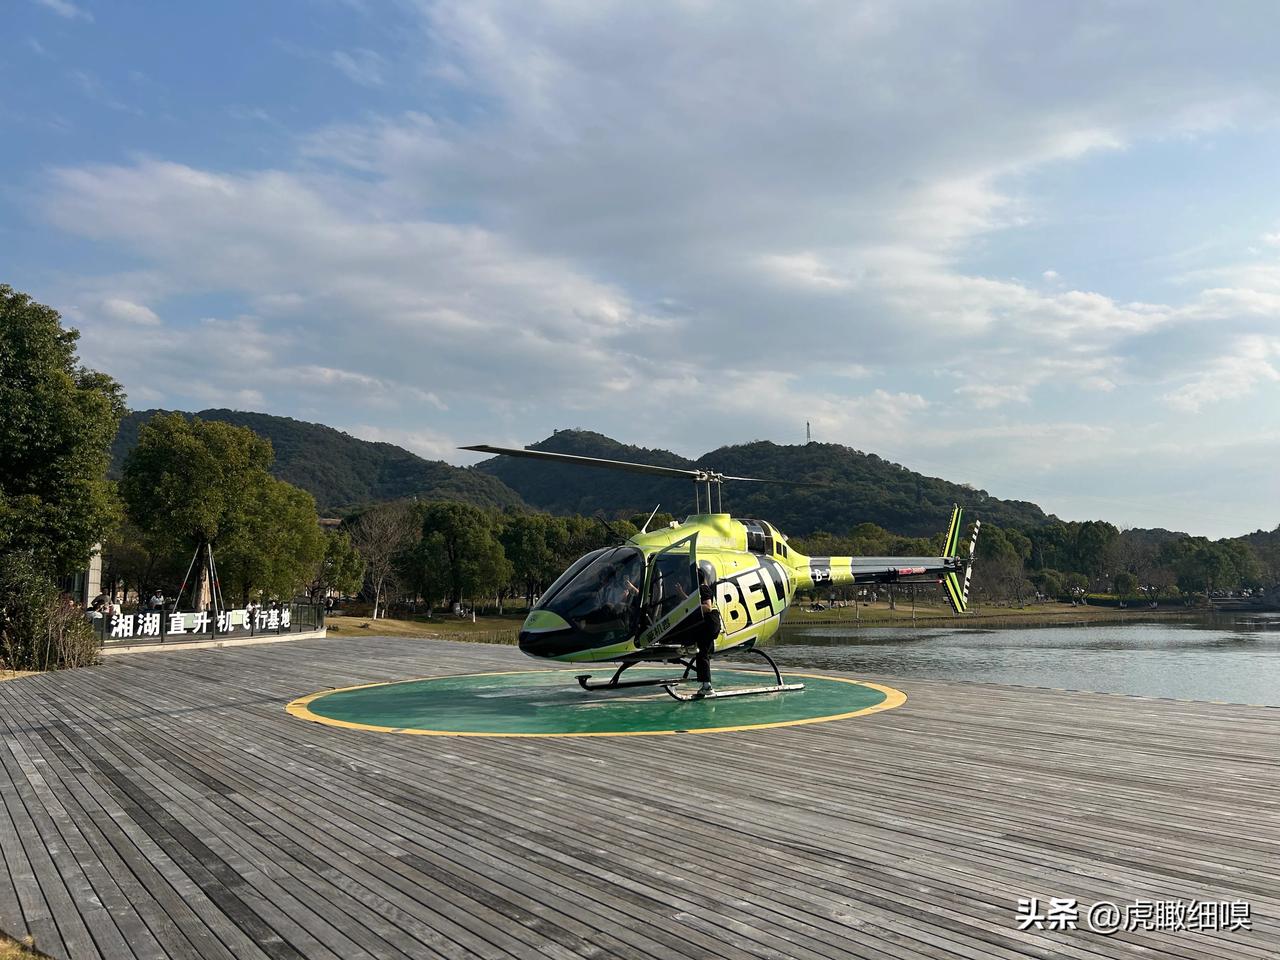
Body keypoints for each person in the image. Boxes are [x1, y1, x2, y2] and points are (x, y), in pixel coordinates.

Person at [695, 565, 721, 696]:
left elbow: (707, 607)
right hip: (710, 624)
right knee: (703, 653)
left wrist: (692, 608)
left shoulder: (703, 588)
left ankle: (707, 686)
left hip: (710, 623)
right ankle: (706, 683)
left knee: (702, 653)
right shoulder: (701, 589)